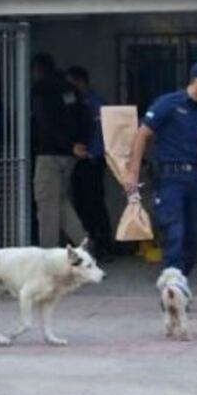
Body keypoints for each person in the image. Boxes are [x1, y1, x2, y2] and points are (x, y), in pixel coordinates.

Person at [123, 60, 197, 277]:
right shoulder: (169, 103)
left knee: (193, 236)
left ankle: (180, 281)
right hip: (170, 176)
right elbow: (142, 134)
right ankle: (172, 287)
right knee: (174, 232)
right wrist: (133, 172)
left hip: (195, 175)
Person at [30, 53, 91, 248]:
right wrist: (80, 144)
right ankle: (84, 244)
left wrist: (67, 144)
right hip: (71, 155)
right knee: (61, 202)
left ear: (37, 70)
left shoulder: (41, 89)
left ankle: (46, 256)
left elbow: (45, 122)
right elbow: (86, 117)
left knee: (47, 205)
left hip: (49, 153)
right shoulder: (70, 89)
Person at [65, 66, 114, 259]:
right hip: (79, 159)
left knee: (94, 204)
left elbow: (103, 132)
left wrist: (94, 153)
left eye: (71, 83)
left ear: (80, 82)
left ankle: (102, 245)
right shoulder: (76, 101)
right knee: (82, 203)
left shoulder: (95, 103)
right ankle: (89, 245)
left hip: (92, 159)